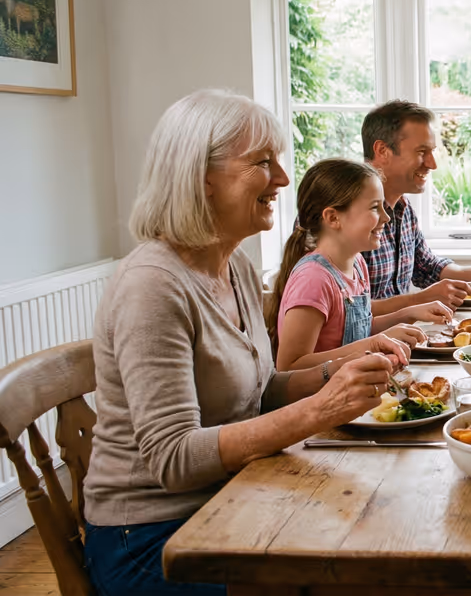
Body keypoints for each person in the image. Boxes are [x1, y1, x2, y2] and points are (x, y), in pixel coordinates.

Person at [83, 90, 410, 595]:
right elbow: (172, 459)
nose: (282, 178)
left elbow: (259, 391)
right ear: (201, 178)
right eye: (263, 162)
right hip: (157, 538)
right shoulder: (152, 286)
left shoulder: (233, 265)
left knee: (385, 532)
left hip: (234, 496)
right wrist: (319, 410)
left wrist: (339, 374)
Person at [267, 158, 454, 370]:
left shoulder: (356, 263)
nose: (387, 217)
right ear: (333, 218)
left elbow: (358, 328)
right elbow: (290, 367)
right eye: (375, 208)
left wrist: (408, 314)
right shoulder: (313, 279)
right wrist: (372, 345)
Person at [361, 101, 471, 311]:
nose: (432, 164)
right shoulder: (346, 214)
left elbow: (428, 268)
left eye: (432, 151)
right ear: (382, 150)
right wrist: (419, 300)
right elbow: (346, 313)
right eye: (421, 151)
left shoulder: (403, 209)